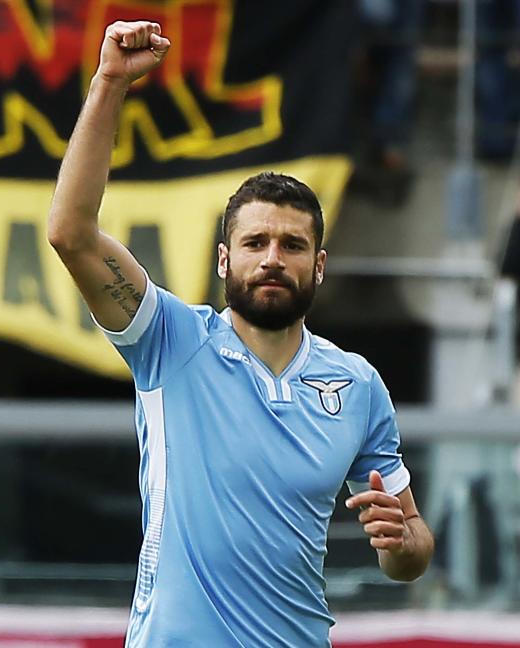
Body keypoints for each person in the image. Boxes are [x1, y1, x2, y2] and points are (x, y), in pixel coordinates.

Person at [47, 21, 434, 646]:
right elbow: (71, 232)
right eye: (255, 242)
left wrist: (404, 541)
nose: (273, 257)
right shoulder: (170, 341)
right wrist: (110, 83)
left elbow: (408, 550)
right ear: (224, 261)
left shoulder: (356, 384)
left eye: (293, 244)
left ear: (320, 265)